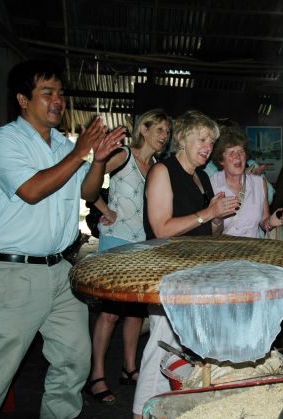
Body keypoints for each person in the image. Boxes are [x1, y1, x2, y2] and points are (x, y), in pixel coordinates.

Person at [0, 60, 125, 418]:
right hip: (14, 275)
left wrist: (98, 161)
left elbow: (87, 192)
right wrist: (79, 154)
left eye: (60, 92)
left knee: (75, 358)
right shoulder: (3, 141)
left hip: (60, 271)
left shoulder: (61, 145)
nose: (58, 100)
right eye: (47, 93)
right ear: (23, 99)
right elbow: (31, 190)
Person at [133, 110, 239, 418]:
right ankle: (142, 412)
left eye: (211, 141)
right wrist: (208, 213)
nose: (208, 146)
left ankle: (173, 407)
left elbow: (206, 229)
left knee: (187, 346)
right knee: (163, 342)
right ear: (182, 138)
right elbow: (160, 229)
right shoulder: (162, 172)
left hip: (196, 270)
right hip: (166, 270)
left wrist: (218, 216)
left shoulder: (202, 177)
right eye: (202, 139)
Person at [85, 109, 171, 404]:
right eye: (159, 129)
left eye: (167, 132)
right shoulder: (123, 155)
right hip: (116, 241)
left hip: (144, 244)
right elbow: (89, 183)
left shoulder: (158, 166)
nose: (164, 136)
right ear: (143, 129)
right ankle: (96, 376)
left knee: (135, 312)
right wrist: (103, 208)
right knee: (109, 312)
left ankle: (129, 368)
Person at [209, 126, 283, 238]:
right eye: (231, 152)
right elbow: (208, 230)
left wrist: (270, 222)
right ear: (221, 160)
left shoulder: (259, 183)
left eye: (241, 151)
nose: (238, 157)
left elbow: (263, 222)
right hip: (224, 249)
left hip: (254, 249)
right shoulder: (212, 184)